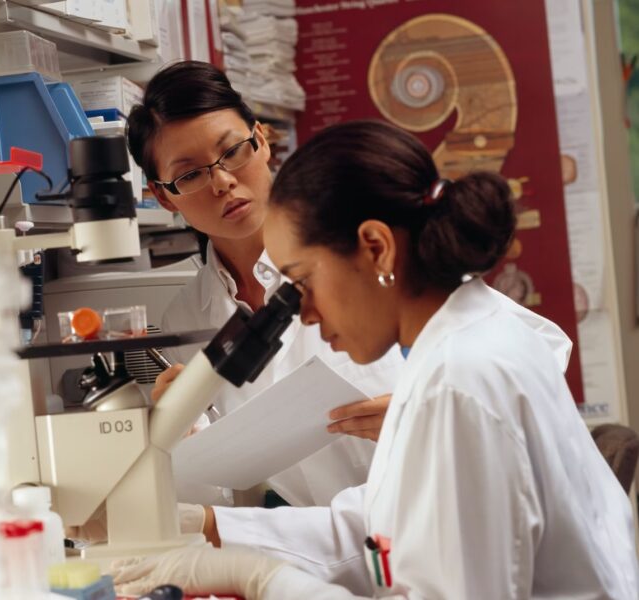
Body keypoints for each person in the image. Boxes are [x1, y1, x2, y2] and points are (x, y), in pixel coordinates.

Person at [112, 120, 638, 599]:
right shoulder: (458, 344)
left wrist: (266, 581)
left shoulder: (457, 381)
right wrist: (205, 525)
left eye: (303, 282)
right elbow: (382, 530)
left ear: (377, 248)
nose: (307, 313)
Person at [126, 61, 404, 512]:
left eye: (233, 151)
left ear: (261, 140)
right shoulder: (184, 320)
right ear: (162, 196)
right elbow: (219, 488)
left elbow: (525, 350)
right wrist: (180, 434)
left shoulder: (366, 239)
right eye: (190, 174)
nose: (222, 181)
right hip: (317, 545)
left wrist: (425, 413)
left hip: (426, 507)